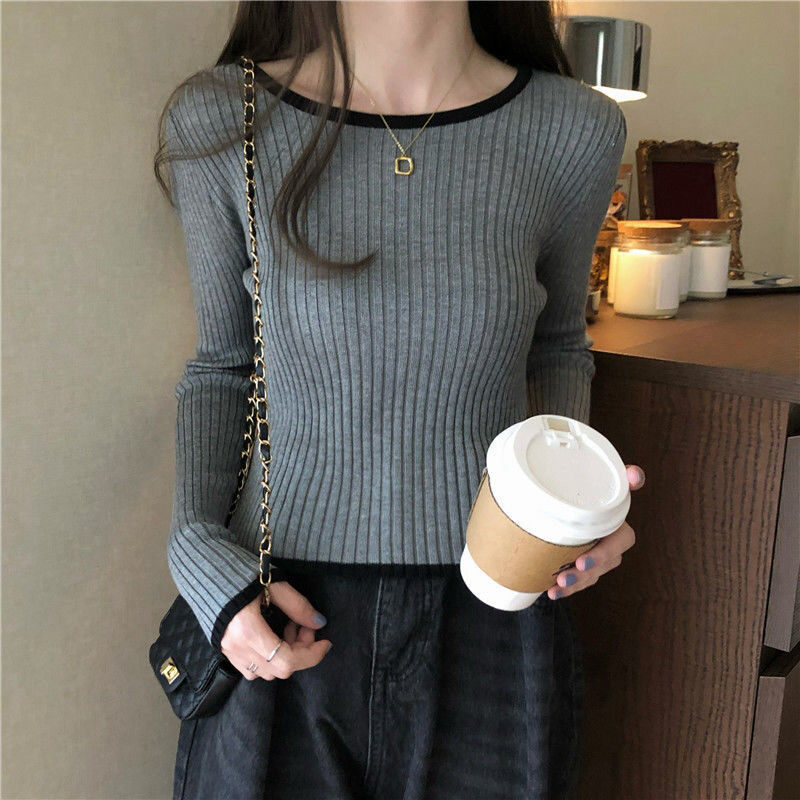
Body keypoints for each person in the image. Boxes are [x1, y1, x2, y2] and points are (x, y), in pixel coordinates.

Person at [154, 2, 646, 798]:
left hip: (494, 612)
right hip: (273, 605)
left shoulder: (573, 128)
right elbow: (224, 365)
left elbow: (556, 346)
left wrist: (571, 517)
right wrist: (197, 553)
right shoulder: (223, 118)